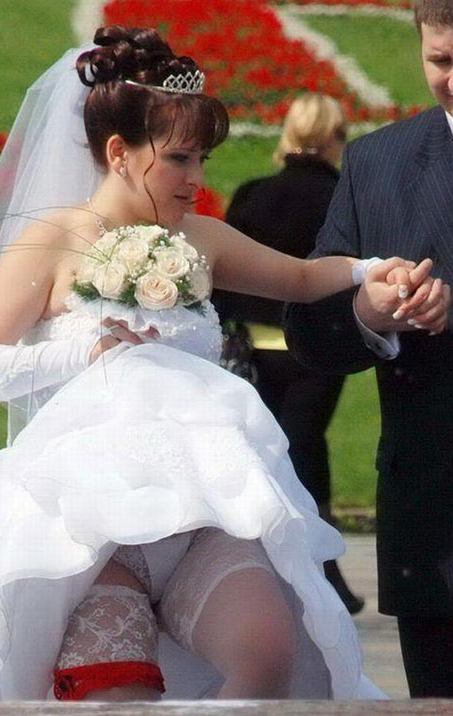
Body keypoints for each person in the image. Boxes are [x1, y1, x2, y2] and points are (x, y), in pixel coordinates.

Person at [0, 26, 445, 704]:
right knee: (112, 690)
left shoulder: (201, 239)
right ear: (119, 153)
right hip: (91, 525)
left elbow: (303, 279)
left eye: (203, 159)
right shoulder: (55, 238)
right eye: (180, 158)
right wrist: (79, 352)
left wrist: (372, 270)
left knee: (268, 650)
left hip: (205, 510)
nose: (198, 179)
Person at [284, 0, 453, 698]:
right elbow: (309, 330)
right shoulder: (377, 163)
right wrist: (368, 310)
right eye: (441, 61)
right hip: (436, 525)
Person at [212, 93, 364, 615]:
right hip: (316, 351)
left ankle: (259, 566)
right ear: (334, 137)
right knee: (305, 450)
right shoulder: (341, 196)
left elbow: (223, 277)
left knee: (262, 453)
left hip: (253, 349)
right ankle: (324, 570)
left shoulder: (253, 193)